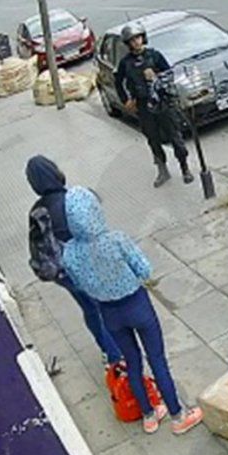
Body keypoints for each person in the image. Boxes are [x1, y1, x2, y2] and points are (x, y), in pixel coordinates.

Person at [60, 186, 204, 435]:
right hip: (136, 304)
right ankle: (178, 415)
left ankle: (149, 415)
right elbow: (145, 269)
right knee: (157, 359)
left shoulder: (71, 252)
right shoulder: (116, 239)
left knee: (132, 362)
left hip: (109, 314)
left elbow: (80, 283)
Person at [25, 155, 124, 367]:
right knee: (102, 307)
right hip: (84, 265)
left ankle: (107, 350)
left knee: (88, 308)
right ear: (55, 172)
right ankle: (117, 356)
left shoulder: (36, 210)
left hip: (61, 272)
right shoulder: (73, 198)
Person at [113, 22, 193, 188]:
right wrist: (126, 100)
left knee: (175, 136)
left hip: (163, 103)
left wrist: (156, 76)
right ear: (128, 43)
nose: (136, 42)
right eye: (132, 40)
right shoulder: (125, 63)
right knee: (153, 139)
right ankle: (162, 170)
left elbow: (170, 76)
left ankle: (185, 168)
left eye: (138, 38)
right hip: (143, 106)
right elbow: (118, 81)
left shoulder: (154, 56)